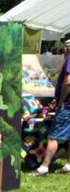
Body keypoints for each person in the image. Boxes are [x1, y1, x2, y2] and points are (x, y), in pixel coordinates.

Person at [36, 38, 70, 175]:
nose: (64, 51)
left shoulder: (69, 59)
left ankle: (43, 167)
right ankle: (68, 166)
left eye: (66, 48)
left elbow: (68, 82)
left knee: (53, 136)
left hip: (67, 106)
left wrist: (61, 101)